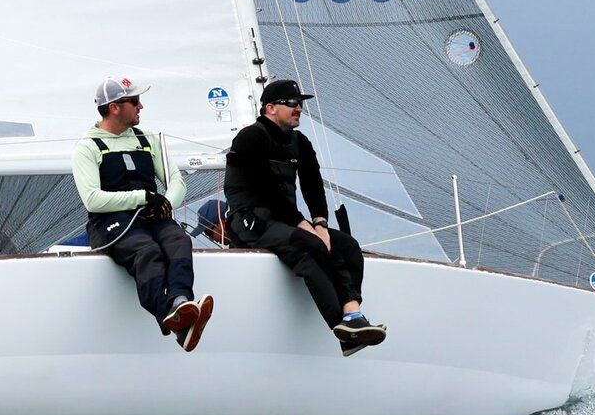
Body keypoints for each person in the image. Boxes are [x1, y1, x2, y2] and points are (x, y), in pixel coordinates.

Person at [223, 78, 384, 353]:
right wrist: (302, 224)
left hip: (286, 220)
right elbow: (265, 188)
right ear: (270, 108)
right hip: (251, 221)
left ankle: (352, 314)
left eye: (300, 104)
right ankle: (343, 333)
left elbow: (312, 185)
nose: (299, 108)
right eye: (292, 103)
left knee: (348, 246)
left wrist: (320, 223)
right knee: (310, 245)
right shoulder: (250, 137)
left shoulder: (300, 142)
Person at [73, 77, 213, 351]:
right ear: (114, 107)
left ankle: (180, 303)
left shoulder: (146, 139)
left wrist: (165, 204)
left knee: (179, 241)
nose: (141, 106)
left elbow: (176, 181)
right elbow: (92, 200)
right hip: (110, 222)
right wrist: (144, 198)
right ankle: (174, 320)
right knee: (147, 251)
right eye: (135, 101)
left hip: (152, 215)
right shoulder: (87, 147)